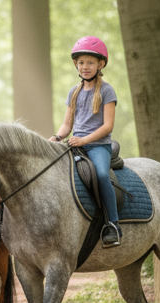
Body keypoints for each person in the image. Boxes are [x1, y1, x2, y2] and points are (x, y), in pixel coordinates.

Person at [49, 36, 121, 247]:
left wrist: (83, 141)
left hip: (98, 145)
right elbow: (66, 125)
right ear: (76, 65)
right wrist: (57, 137)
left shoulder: (107, 91)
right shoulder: (74, 92)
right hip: (75, 143)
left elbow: (108, 126)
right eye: (81, 62)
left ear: (101, 64)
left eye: (90, 62)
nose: (85, 67)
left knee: (100, 174)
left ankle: (113, 224)